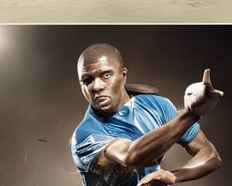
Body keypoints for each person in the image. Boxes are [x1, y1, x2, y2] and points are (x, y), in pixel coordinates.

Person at [70, 43, 223, 186]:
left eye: (106, 75)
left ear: (123, 75)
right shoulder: (85, 136)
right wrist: (191, 114)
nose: (96, 86)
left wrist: (172, 176)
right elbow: (132, 158)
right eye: (87, 80)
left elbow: (210, 156)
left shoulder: (157, 106)